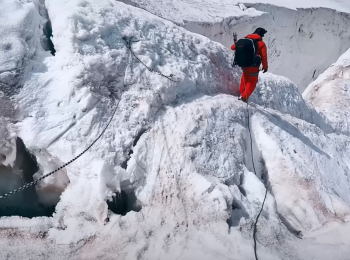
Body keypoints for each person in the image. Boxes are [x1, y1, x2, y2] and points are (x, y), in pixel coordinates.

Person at [231, 28, 268, 103]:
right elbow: (264, 56)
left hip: (244, 63)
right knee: (252, 81)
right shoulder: (260, 43)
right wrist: (265, 67)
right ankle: (244, 97)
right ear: (261, 35)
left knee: (245, 78)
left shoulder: (244, 39)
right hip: (253, 65)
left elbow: (232, 47)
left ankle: (241, 93)